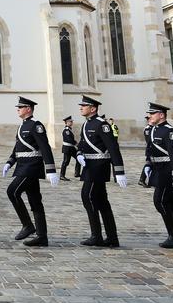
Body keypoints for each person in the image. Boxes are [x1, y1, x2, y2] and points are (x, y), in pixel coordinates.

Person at [2, 97, 58, 247]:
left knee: (12, 191)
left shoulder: (36, 126)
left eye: (21, 107)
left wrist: (51, 169)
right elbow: (18, 148)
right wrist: (10, 162)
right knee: (35, 201)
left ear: (28, 109)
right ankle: (42, 236)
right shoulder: (22, 126)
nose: (18, 109)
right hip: (22, 166)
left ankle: (27, 225)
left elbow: (45, 147)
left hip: (31, 167)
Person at [76, 95, 126, 248]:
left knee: (87, 196)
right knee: (102, 202)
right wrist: (78, 154)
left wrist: (119, 171)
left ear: (93, 108)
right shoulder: (86, 125)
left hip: (99, 167)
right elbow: (82, 144)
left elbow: (112, 147)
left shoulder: (102, 125)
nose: (81, 107)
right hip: (89, 166)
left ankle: (96, 235)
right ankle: (112, 237)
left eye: (84, 106)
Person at [143, 102, 173, 249]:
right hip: (158, 170)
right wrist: (148, 164)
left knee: (160, 201)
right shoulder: (152, 130)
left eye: (153, 113)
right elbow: (149, 150)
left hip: (167, 171)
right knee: (169, 204)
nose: (149, 116)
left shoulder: (170, 132)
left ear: (161, 115)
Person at [59, 115, 81, 181]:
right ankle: (62, 175)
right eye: (70, 121)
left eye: (71, 121)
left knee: (79, 159)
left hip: (71, 148)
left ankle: (77, 173)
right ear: (66, 122)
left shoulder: (69, 130)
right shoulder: (66, 130)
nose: (71, 123)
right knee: (66, 162)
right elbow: (69, 140)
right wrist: (76, 144)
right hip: (67, 148)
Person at [137, 115, 152, 187]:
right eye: (149, 119)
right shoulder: (148, 129)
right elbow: (149, 140)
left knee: (152, 165)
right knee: (149, 164)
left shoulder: (153, 127)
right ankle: (142, 180)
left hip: (153, 149)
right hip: (151, 149)